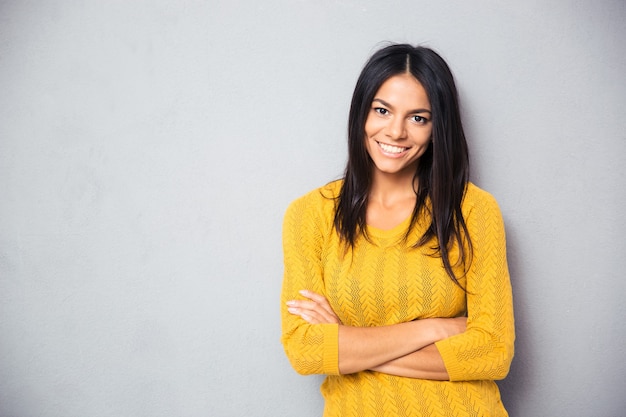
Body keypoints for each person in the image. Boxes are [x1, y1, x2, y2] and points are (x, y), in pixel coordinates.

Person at [280, 43, 515, 417]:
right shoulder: (311, 214)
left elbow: (492, 352)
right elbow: (306, 350)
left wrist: (348, 344)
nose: (396, 131)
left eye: (418, 118)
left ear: (438, 128)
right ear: (362, 114)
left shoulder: (473, 210)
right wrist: (432, 329)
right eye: (382, 110)